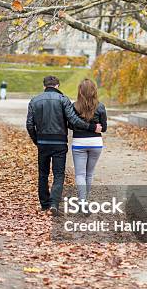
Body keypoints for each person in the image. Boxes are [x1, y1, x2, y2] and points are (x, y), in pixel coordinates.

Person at [26, 75, 102, 215]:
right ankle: (54, 204)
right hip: (59, 142)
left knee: (43, 174)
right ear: (58, 86)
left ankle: (44, 204)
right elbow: (73, 120)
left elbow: (29, 124)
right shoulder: (63, 100)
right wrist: (91, 127)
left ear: (44, 86)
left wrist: (36, 140)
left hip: (42, 142)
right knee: (58, 174)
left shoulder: (34, 100)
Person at [70, 79, 107, 200]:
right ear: (94, 91)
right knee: (89, 174)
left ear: (80, 91)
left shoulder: (74, 106)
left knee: (80, 174)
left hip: (79, 143)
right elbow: (104, 128)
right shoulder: (100, 106)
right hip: (96, 143)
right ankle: (85, 199)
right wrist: (94, 127)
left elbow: (70, 125)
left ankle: (82, 202)